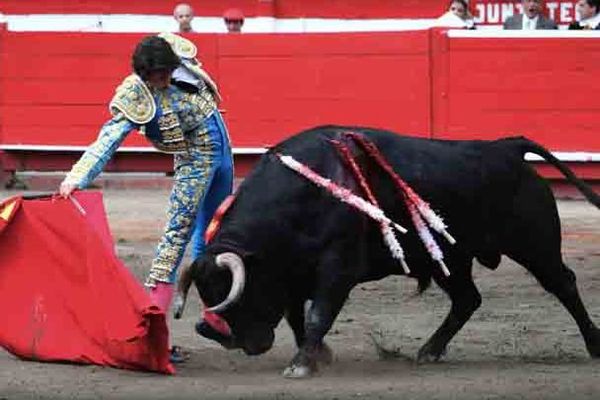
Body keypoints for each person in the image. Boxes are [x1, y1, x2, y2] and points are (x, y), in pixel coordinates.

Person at [58, 33, 234, 361]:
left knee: (218, 233)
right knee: (174, 241)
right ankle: (155, 340)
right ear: (143, 75)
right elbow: (107, 140)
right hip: (194, 161)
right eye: (158, 76)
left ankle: (214, 315)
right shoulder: (135, 96)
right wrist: (76, 178)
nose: (165, 80)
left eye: (167, 72)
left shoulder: (177, 55)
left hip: (223, 148)